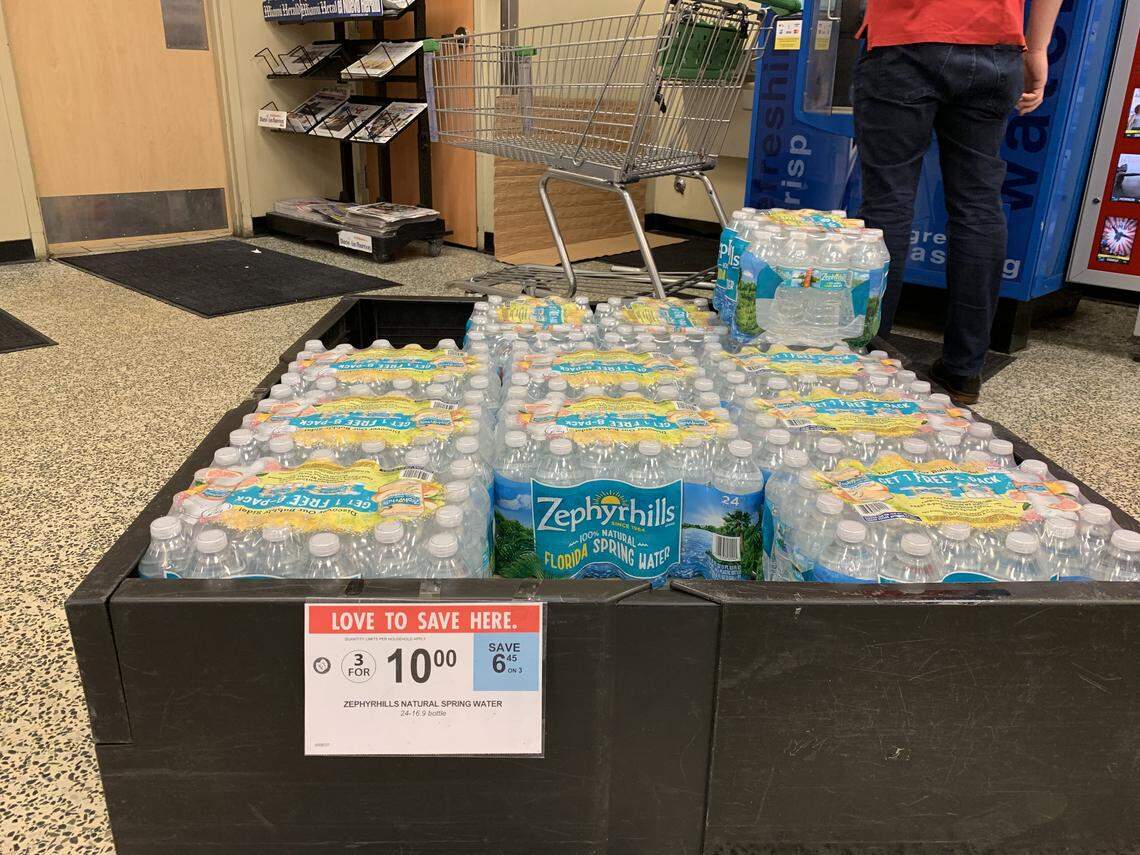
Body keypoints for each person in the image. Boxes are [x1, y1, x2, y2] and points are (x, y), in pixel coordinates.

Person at [853, 0, 1063, 404]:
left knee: (888, 204)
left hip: (902, 43)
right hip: (996, 47)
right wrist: (1036, 51)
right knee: (979, 205)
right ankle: (964, 371)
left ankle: (869, 359)